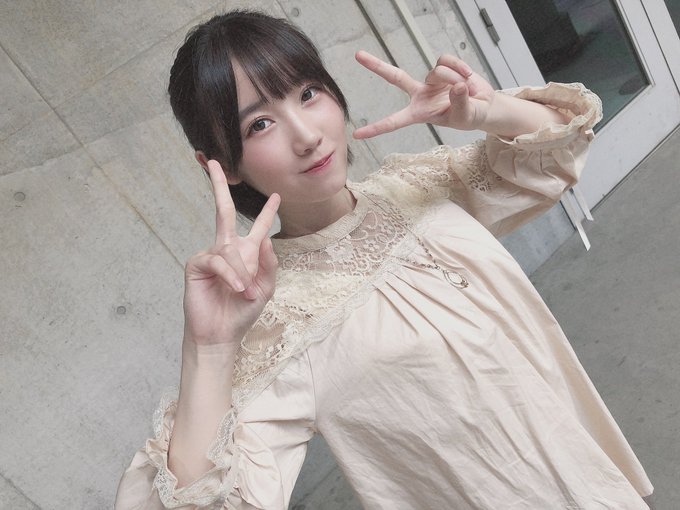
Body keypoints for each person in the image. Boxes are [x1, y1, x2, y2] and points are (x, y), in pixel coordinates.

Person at [115, 9, 654, 509]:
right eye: (259, 124)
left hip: (590, 481)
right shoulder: (279, 316)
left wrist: (487, 112)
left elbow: (555, 154)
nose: (307, 135)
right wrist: (209, 349)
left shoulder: (414, 185)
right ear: (222, 165)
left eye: (308, 93)